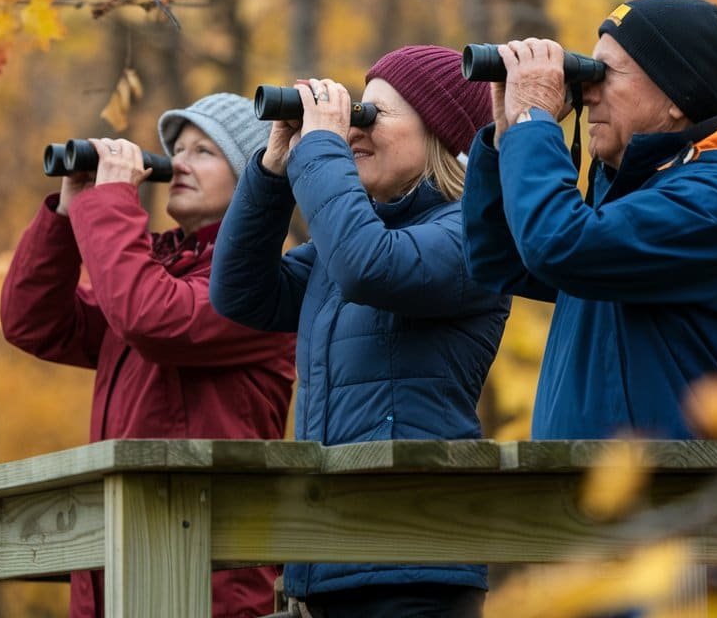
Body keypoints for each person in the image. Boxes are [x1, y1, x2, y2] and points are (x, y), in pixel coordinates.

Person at [462, 0, 717, 613]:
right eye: (586, 71)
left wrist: (536, 126)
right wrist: (506, 136)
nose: (589, 91)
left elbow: (557, 244)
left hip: (671, 548)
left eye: (607, 73)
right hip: (589, 533)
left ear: (676, 96)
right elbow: (501, 260)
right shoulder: (646, 197)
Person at [209, 45, 510, 618]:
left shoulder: (473, 236)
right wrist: (273, 171)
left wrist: (321, 148)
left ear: (441, 134)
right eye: (354, 113)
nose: (354, 129)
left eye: (376, 115)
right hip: (326, 552)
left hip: (414, 559)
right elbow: (240, 293)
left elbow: (372, 266)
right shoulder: (346, 246)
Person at [0, 94, 298, 618]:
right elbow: (34, 321)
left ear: (255, 179)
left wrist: (111, 202)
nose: (178, 162)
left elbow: (151, 318)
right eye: (176, 148)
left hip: (203, 581)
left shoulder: (260, 289)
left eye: (204, 151)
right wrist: (70, 213)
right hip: (117, 564)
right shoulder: (161, 273)